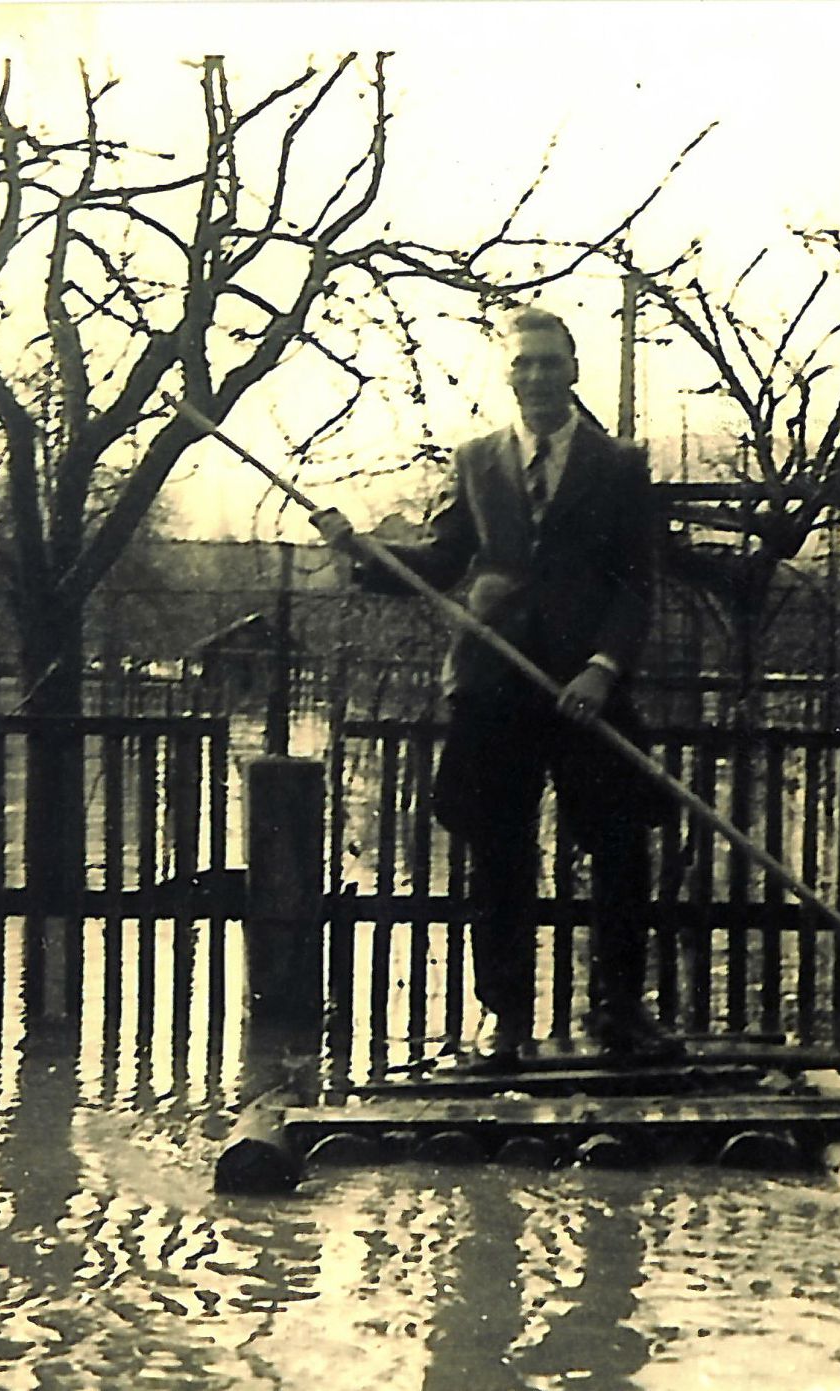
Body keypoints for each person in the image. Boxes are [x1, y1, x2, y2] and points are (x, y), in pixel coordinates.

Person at [321, 306, 676, 1068]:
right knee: (496, 850)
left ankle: (618, 1011)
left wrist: (602, 668)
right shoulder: (476, 459)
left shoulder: (618, 465)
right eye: (524, 364)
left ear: (573, 370)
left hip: (585, 686)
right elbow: (442, 559)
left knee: (619, 844)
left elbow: (635, 584)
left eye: (551, 362)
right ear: (508, 375)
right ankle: (505, 1015)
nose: (538, 376)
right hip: (493, 682)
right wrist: (363, 550)